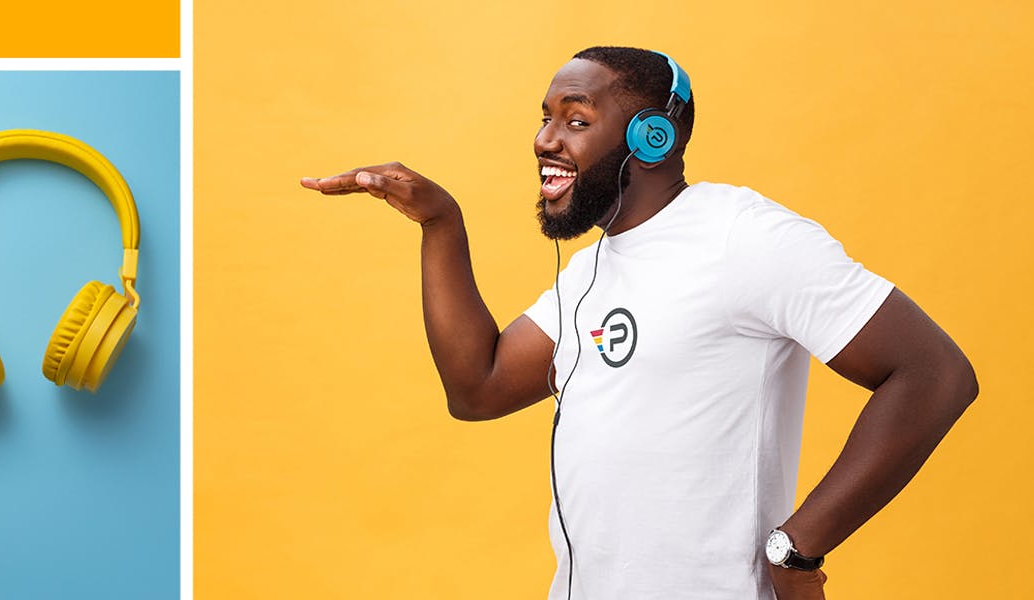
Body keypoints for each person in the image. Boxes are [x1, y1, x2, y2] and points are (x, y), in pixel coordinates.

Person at [299, 46, 977, 600]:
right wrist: (441, 223)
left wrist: (796, 548)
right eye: (544, 119)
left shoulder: (744, 234)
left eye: (575, 119)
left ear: (651, 137)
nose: (543, 140)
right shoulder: (592, 270)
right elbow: (478, 388)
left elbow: (935, 374)